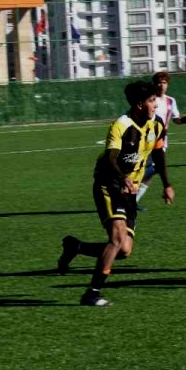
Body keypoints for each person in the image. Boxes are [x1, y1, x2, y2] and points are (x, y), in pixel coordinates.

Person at [56, 81, 173, 307]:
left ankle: (76, 247)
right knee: (117, 239)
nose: (155, 105)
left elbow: (158, 155)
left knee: (124, 250)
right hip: (109, 185)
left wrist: (167, 184)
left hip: (130, 190)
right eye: (151, 101)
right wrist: (124, 179)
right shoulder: (121, 125)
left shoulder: (156, 125)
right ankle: (92, 292)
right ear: (139, 104)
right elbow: (110, 159)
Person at [136, 71, 186, 210]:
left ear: (167, 84)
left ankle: (133, 199)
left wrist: (183, 120)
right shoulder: (151, 100)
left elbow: (175, 119)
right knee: (152, 168)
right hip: (148, 138)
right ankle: (131, 193)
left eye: (164, 83)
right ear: (154, 84)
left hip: (162, 141)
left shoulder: (170, 101)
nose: (162, 85)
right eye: (159, 83)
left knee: (152, 170)